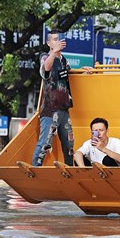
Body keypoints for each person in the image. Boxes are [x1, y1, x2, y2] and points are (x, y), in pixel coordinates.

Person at [31, 30, 76, 166]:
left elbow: (68, 74)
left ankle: (69, 170)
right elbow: (46, 68)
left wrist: (83, 70)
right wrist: (54, 52)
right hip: (50, 110)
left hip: (64, 109)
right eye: (55, 39)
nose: (58, 42)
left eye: (60, 39)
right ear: (49, 42)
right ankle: (34, 170)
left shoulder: (64, 60)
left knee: (69, 145)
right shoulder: (45, 56)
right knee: (45, 142)